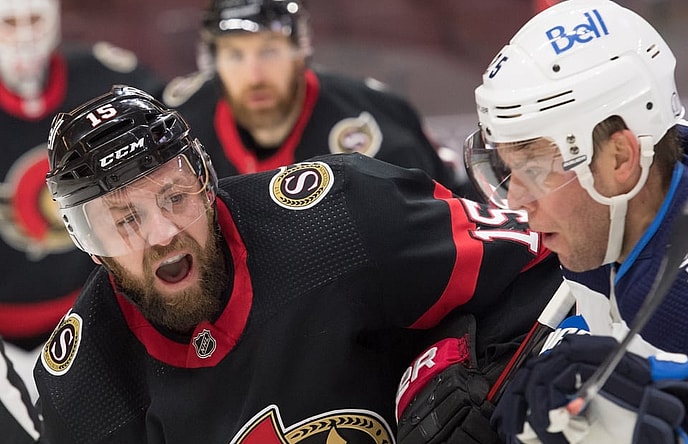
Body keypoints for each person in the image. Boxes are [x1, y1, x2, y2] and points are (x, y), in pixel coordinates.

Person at [32, 84, 563, 443]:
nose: (164, 233)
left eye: (175, 195)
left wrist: (494, 380)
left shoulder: (339, 218)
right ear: (90, 245)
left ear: (204, 178)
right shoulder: (85, 390)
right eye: (125, 220)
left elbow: (548, 265)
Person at [463, 0, 688, 442]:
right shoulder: (629, 198)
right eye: (507, 169)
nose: (517, 200)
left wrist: (687, 431)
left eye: (534, 170)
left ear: (619, 157)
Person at [0, 0, 163, 401]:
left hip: (97, 312)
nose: (22, 37)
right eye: (9, 22)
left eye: (34, 19)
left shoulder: (106, 82)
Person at [160, 0, 473, 197]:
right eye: (235, 55)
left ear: (301, 52)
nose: (254, 75)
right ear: (213, 62)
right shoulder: (178, 127)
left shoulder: (378, 122)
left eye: (269, 51)